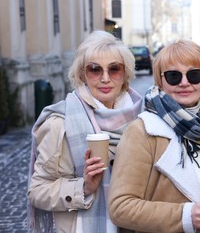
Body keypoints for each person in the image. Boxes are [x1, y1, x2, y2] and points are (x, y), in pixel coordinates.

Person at [27, 30, 143, 232]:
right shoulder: (59, 124)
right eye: (95, 69)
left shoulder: (143, 119)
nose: (105, 78)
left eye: (114, 69)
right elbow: (37, 191)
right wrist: (84, 187)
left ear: (125, 74)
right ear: (82, 74)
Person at [108, 39, 200, 232]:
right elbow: (120, 207)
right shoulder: (143, 131)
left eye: (194, 75)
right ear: (160, 81)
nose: (184, 83)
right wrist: (186, 216)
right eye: (173, 76)